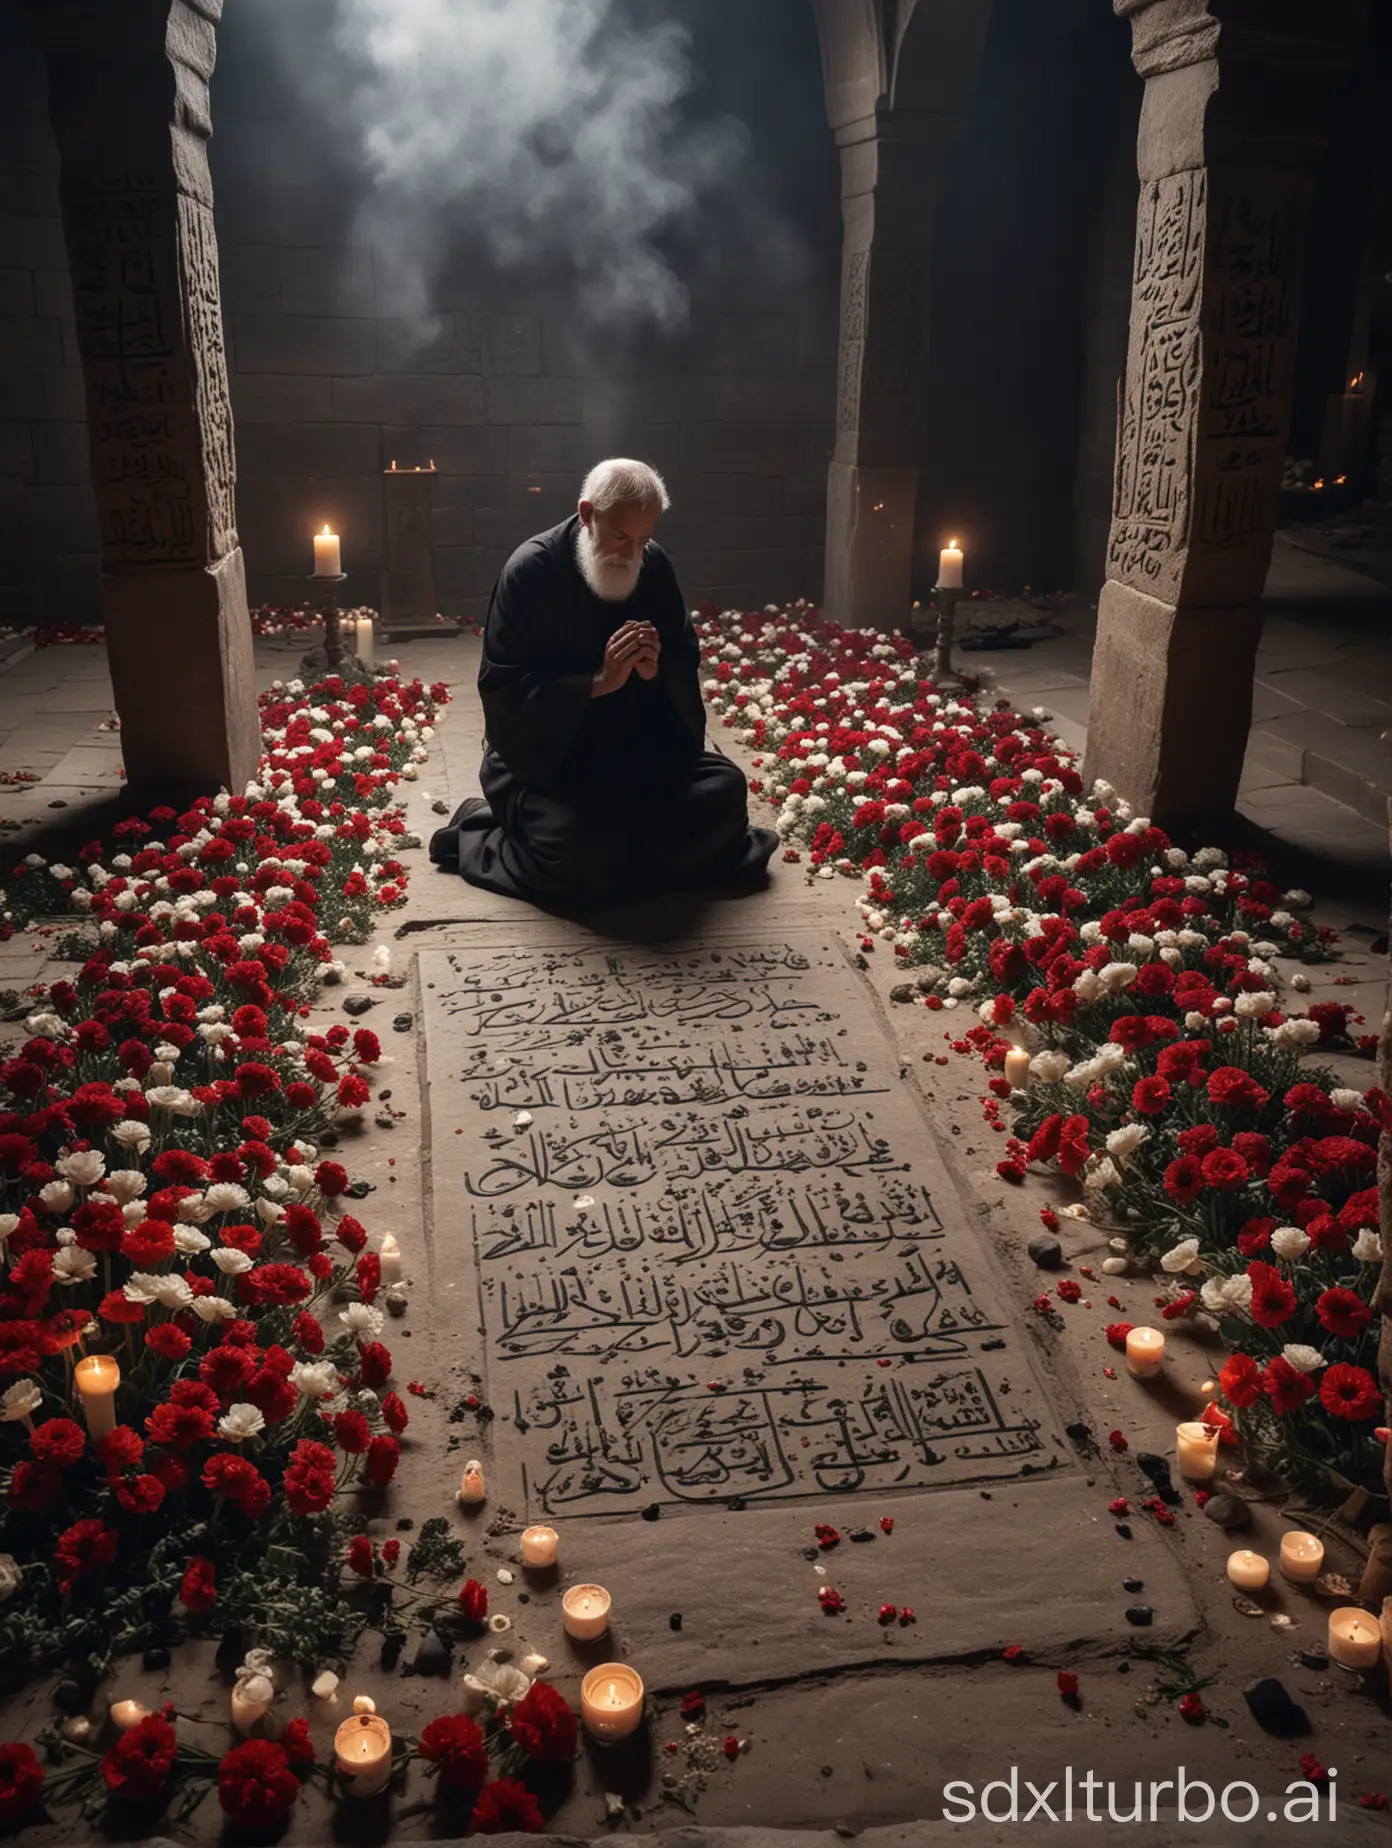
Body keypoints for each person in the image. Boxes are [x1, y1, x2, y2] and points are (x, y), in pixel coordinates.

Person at [430, 458, 777, 908]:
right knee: (582, 854)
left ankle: (620, 854)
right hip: (552, 763)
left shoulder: (653, 565)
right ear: (587, 514)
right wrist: (596, 682)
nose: (632, 553)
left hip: (635, 750)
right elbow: (505, 691)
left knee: (724, 793)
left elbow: (680, 657)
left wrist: (656, 672)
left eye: (643, 539)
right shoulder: (530, 571)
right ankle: (481, 828)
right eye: (620, 536)